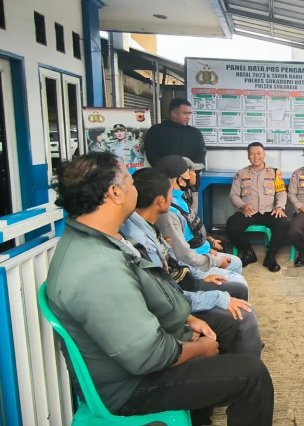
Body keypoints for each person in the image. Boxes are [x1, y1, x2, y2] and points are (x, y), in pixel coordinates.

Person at [45, 152, 273, 425]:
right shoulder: (97, 267)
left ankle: (201, 414)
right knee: (252, 376)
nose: (135, 190)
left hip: (153, 342)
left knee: (229, 324)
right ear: (115, 193)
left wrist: (188, 318)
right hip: (132, 387)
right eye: (131, 183)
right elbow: (148, 356)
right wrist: (200, 349)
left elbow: (151, 287)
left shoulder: (104, 237)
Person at [121, 168, 263, 358]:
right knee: (244, 315)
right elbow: (168, 297)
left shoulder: (147, 226)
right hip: (177, 302)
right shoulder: (141, 238)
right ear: (160, 201)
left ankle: (242, 342)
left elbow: (173, 260)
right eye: (170, 193)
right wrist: (217, 298)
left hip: (182, 284)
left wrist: (202, 275)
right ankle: (244, 366)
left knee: (237, 289)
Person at [154, 155, 245, 275]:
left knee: (235, 261)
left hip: (199, 252)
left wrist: (207, 246)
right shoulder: (169, 212)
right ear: (180, 180)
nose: (194, 175)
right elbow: (183, 255)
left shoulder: (179, 198)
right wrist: (214, 261)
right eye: (188, 173)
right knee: (236, 269)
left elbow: (191, 228)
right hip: (190, 265)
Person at [226, 142, 290, 272]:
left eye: (259, 153)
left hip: (269, 211)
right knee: (231, 225)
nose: (256, 156)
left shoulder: (275, 173)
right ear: (248, 156)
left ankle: (270, 256)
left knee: (284, 223)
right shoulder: (241, 173)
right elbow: (233, 195)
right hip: (249, 211)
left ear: (264, 154)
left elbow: (282, 192)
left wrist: (279, 207)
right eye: (252, 154)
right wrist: (243, 206)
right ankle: (248, 252)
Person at [144, 98, 206, 167]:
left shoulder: (195, 133)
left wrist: (192, 171)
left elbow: (201, 156)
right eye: (185, 113)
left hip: (189, 175)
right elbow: (151, 155)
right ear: (173, 113)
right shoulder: (155, 131)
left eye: (189, 114)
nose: (188, 117)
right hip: (164, 175)